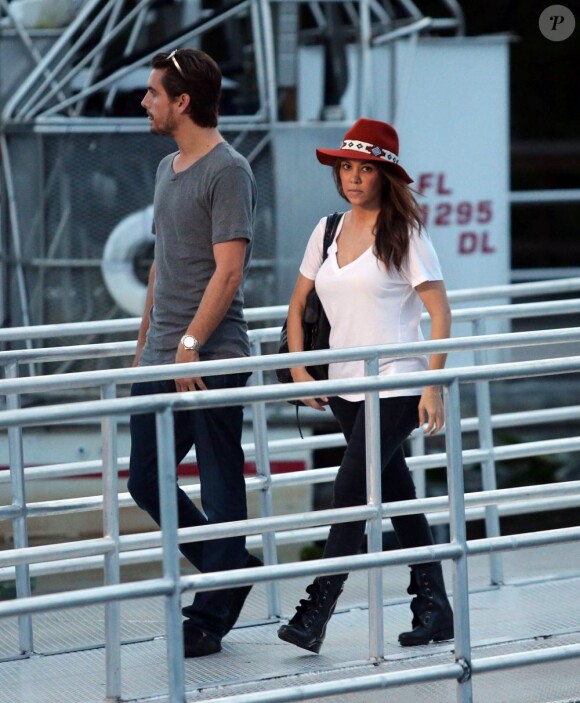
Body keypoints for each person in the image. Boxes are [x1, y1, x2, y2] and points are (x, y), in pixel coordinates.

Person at [277, 118, 454, 653]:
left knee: (350, 490)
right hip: (343, 385)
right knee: (397, 494)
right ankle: (435, 606)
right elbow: (298, 304)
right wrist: (300, 367)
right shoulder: (327, 229)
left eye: (366, 168)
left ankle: (316, 611)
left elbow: (440, 312)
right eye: (347, 167)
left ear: (385, 175)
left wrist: (432, 384)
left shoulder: (405, 233)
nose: (354, 177)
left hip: (396, 381)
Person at [128, 48, 261, 659]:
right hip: (163, 355)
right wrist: (147, 341)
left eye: (154, 93)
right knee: (148, 482)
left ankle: (209, 616)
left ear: (183, 102)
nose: (146, 101)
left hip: (211, 356)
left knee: (218, 480)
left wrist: (190, 346)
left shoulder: (228, 170)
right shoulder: (167, 167)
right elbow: (165, 260)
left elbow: (228, 272)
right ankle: (228, 566)